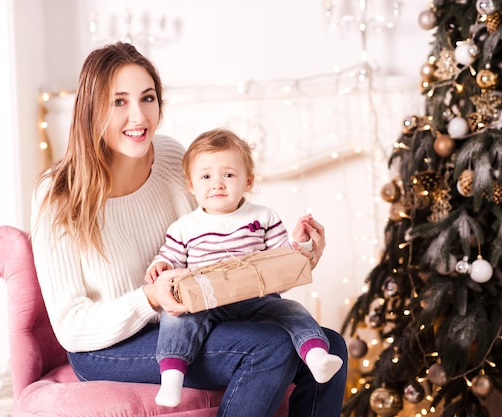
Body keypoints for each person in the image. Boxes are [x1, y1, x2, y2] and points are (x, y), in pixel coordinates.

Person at [30, 42, 348, 417]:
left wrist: (295, 258)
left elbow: (222, 251)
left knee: (331, 346)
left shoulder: (169, 157)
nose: (138, 116)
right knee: (271, 345)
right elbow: (71, 326)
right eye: (119, 102)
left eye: (147, 98)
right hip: (107, 346)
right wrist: (148, 297)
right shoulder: (59, 192)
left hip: (189, 318)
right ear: (91, 109)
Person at [145, 128, 343, 408]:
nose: (217, 184)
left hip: (257, 299)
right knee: (176, 318)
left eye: (228, 175)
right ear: (191, 185)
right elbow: (171, 257)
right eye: (205, 177)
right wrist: (160, 265)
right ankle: (172, 376)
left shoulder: (263, 217)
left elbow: (281, 259)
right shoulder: (184, 227)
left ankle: (316, 356)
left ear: (248, 181)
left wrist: (300, 243)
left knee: (292, 310)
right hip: (206, 302)